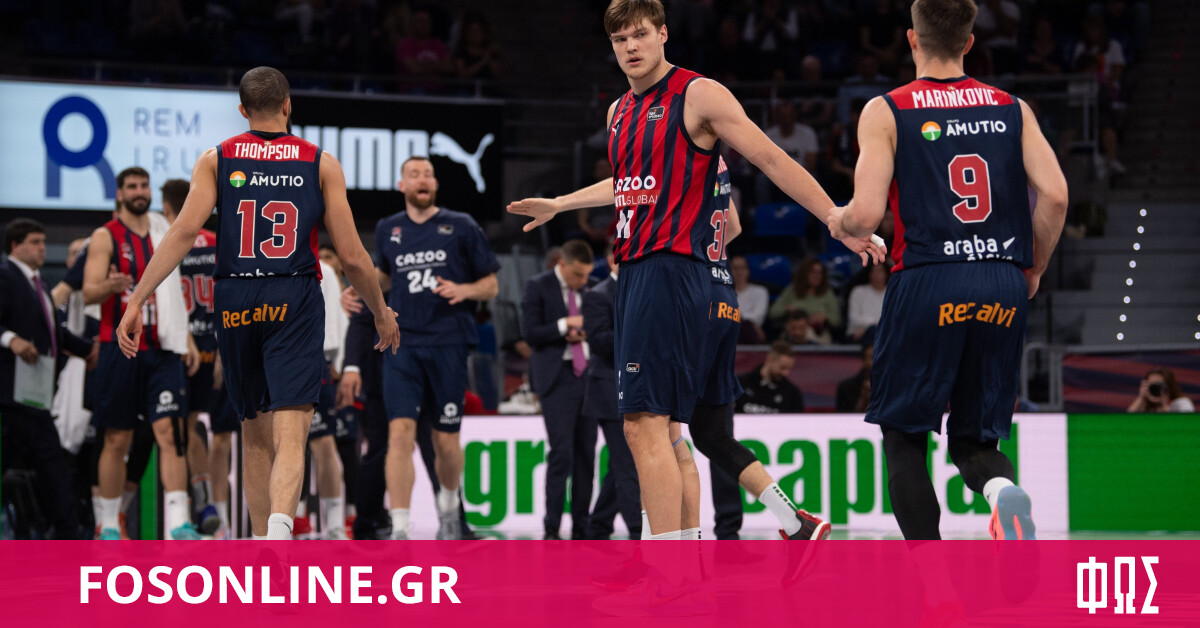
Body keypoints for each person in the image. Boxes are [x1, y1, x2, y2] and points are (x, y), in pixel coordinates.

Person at [508, 0, 884, 550]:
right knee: (672, 432)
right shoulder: (618, 112)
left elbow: (770, 157)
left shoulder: (698, 93)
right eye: (619, 40)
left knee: (643, 425)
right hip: (666, 275)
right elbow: (628, 183)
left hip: (671, 272)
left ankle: (665, 573)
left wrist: (833, 217)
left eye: (640, 34)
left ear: (663, 33)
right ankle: (686, 565)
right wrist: (560, 203)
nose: (630, 47)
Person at [115, 67, 399, 541]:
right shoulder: (320, 162)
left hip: (235, 298)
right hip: (292, 293)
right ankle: (280, 537)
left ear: (243, 110)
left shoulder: (216, 158)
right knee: (292, 428)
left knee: (253, 430)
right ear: (288, 105)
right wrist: (380, 311)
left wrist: (136, 300)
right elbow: (351, 256)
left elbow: (182, 233)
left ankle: (261, 547)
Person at [831, 0, 1069, 541]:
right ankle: (1001, 491)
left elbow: (865, 216)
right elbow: (1055, 196)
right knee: (976, 440)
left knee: (904, 436)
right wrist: (1032, 267)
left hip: (928, 277)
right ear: (969, 42)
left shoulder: (886, 109)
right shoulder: (1013, 108)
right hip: (1001, 280)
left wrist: (839, 219)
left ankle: (931, 574)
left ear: (912, 39)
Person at [370, 155, 500, 540]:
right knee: (399, 433)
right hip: (402, 343)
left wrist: (464, 289)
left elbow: (491, 285)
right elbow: (383, 276)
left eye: (428, 174)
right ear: (402, 185)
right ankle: (400, 528)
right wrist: (358, 290)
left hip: (448, 342)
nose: (422, 179)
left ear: (435, 184)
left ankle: (448, 510)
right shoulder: (388, 228)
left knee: (446, 440)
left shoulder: (461, 225)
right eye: (414, 174)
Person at [84, 167, 202, 540]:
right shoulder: (105, 236)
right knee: (117, 438)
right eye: (132, 186)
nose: (139, 191)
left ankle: (179, 522)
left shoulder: (164, 229)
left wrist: (187, 338)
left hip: (163, 348)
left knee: (170, 432)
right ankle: (108, 523)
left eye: (144, 185)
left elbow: (175, 290)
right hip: (121, 347)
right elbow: (87, 292)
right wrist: (110, 285)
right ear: (119, 193)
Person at [1, 219, 96, 538]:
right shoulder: (6, 275)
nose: (42, 248)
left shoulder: (38, 283)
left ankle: (67, 536)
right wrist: (10, 339)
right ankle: (68, 534)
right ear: (16, 246)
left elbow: (56, 334)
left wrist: (89, 349)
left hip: (35, 395)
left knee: (50, 466)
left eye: (43, 242)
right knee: (46, 464)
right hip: (10, 395)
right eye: (35, 242)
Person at [521, 239, 598, 539]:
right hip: (557, 378)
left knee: (586, 455)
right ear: (562, 264)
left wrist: (587, 330)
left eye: (586, 275)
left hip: (589, 378)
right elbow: (530, 333)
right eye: (578, 274)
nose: (583, 281)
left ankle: (582, 527)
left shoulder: (592, 290)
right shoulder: (537, 286)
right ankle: (552, 527)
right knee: (562, 453)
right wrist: (565, 325)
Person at [160, 177, 222, 535]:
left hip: (179, 348)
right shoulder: (218, 242)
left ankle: (187, 508)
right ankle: (206, 503)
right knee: (192, 424)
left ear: (166, 207)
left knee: (173, 428)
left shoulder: (167, 242)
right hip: (216, 345)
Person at [582, 247, 642, 540]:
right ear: (611, 260)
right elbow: (600, 341)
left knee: (622, 463)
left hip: (635, 386)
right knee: (628, 463)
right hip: (608, 390)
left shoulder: (642, 290)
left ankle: (598, 525)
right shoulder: (597, 295)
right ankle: (638, 532)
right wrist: (637, 332)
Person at [768, 258, 841, 342]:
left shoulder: (827, 293)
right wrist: (786, 309)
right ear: (804, 273)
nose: (817, 276)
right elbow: (773, 313)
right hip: (793, 332)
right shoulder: (792, 291)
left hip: (817, 334)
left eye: (820, 273)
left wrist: (825, 316)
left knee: (810, 335)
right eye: (813, 272)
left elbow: (837, 321)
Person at [736, 341, 806, 414]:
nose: (786, 373)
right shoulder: (741, 384)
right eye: (782, 368)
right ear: (769, 359)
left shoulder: (792, 394)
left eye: (789, 369)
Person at [846, 263, 889, 340]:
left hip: (885, 334)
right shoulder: (858, 291)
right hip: (859, 334)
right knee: (873, 332)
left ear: (886, 273)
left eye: (879, 271)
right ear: (869, 274)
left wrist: (873, 326)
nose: (876, 275)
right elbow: (854, 318)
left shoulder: (892, 293)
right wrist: (872, 325)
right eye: (873, 271)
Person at [1127, 368, 1195, 413]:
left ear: (1169, 386)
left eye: (1158, 385)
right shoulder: (1145, 405)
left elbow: (1185, 425)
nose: (1155, 389)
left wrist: (1164, 406)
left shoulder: (1182, 403)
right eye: (1151, 385)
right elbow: (1129, 421)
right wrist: (1141, 397)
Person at [837, 344, 874, 413]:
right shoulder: (846, 388)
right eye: (872, 358)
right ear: (863, 361)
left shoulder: (890, 388)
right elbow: (842, 417)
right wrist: (863, 400)